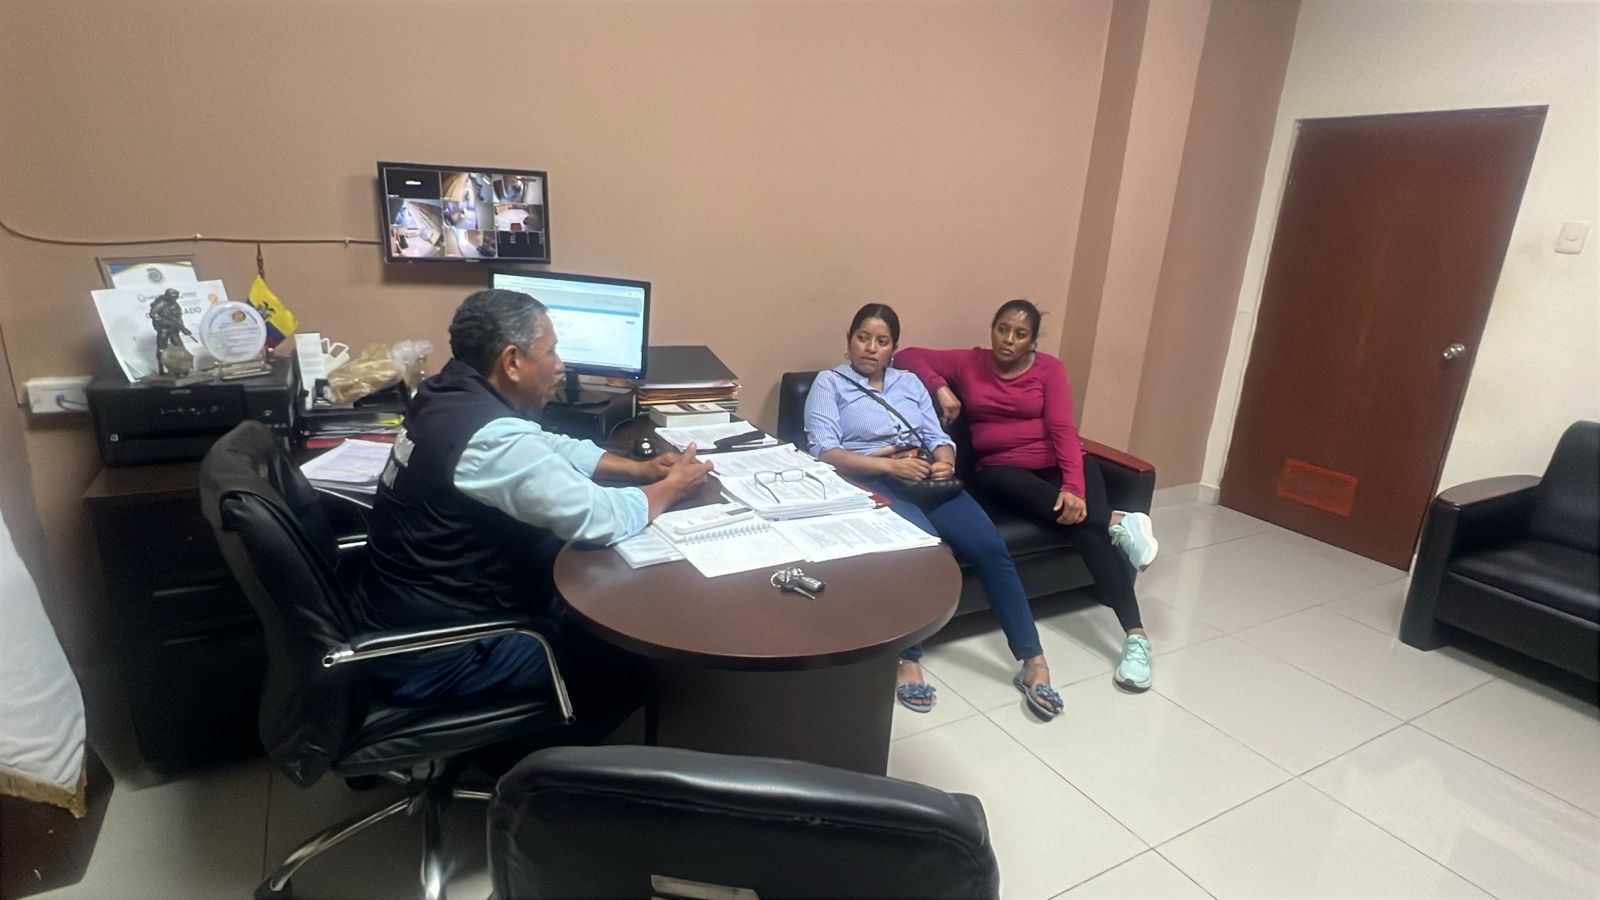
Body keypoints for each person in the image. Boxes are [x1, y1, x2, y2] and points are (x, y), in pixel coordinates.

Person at [353, 289, 712, 705]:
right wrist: (671, 487)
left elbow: (543, 443)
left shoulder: (444, 393)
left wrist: (637, 470)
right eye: (551, 351)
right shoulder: (488, 439)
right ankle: (557, 743)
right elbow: (601, 518)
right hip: (440, 653)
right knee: (625, 659)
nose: (560, 366)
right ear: (511, 361)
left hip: (400, 610)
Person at [804, 303, 1063, 720]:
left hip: (925, 476)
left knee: (991, 547)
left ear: (893, 348)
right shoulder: (829, 383)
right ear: (848, 340)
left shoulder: (908, 382)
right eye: (863, 338)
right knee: (924, 549)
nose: (871, 347)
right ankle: (907, 659)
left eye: (882, 341)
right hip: (871, 481)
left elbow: (936, 434)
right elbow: (825, 451)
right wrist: (890, 467)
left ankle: (1032, 659)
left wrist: (945, 460)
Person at [895, 299, 1160, 691]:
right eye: (1002, 329)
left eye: (1020, 334)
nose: (1008, 339)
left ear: (1032, 341)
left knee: (1085, 531)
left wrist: (1073, 487)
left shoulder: (1049, 370)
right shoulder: (971, 363)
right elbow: (907, 355)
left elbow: (1063, 431)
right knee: (1001, 481)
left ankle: (1136, 637)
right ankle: (1117, 520)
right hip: (1003, 472)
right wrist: (942, 388)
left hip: (1058, 465)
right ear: (992, 329)